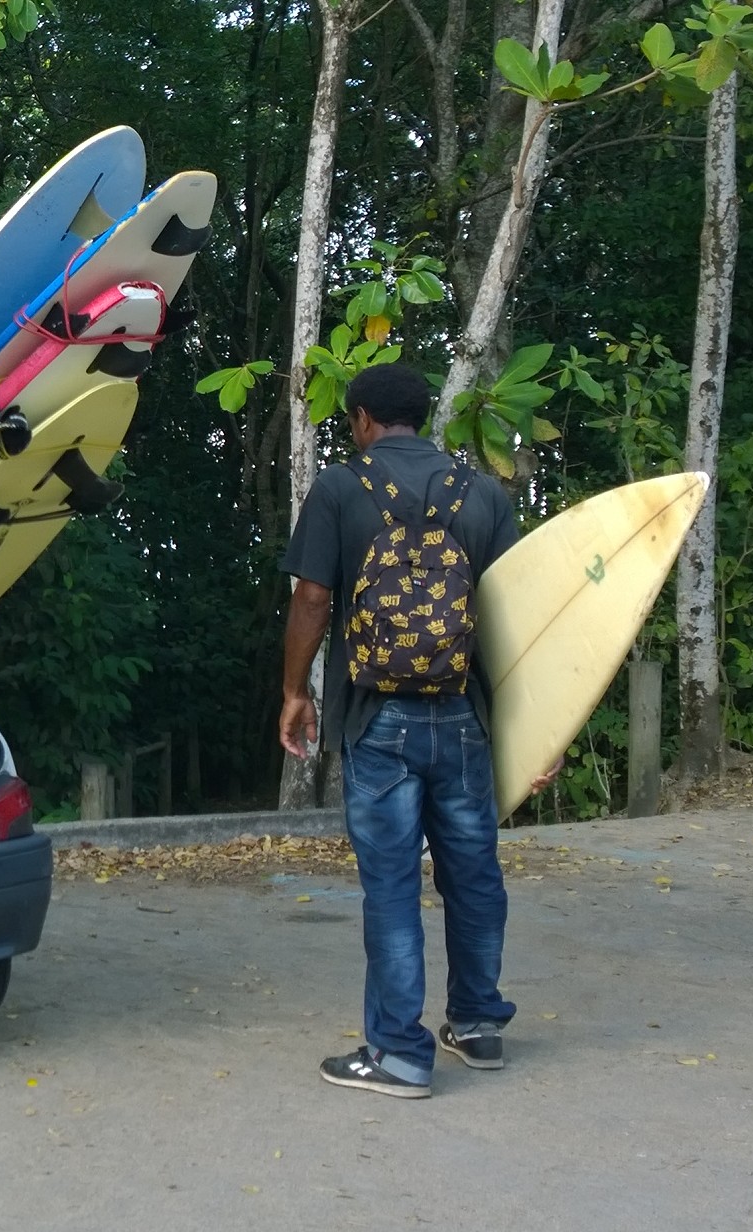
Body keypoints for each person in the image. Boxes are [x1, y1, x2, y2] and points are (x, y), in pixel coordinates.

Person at [278, 362, 556, 1099]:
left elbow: (311, 598)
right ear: (422, 417)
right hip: (464, 718)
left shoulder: (341, 487)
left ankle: (399, 1054)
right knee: (474, 872)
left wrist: (294, 691)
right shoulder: (482, 493)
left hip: (378, 719)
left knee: (393, 885)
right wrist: (541, 730)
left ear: (364, 420)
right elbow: (515, 624)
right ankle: (476, 1024)